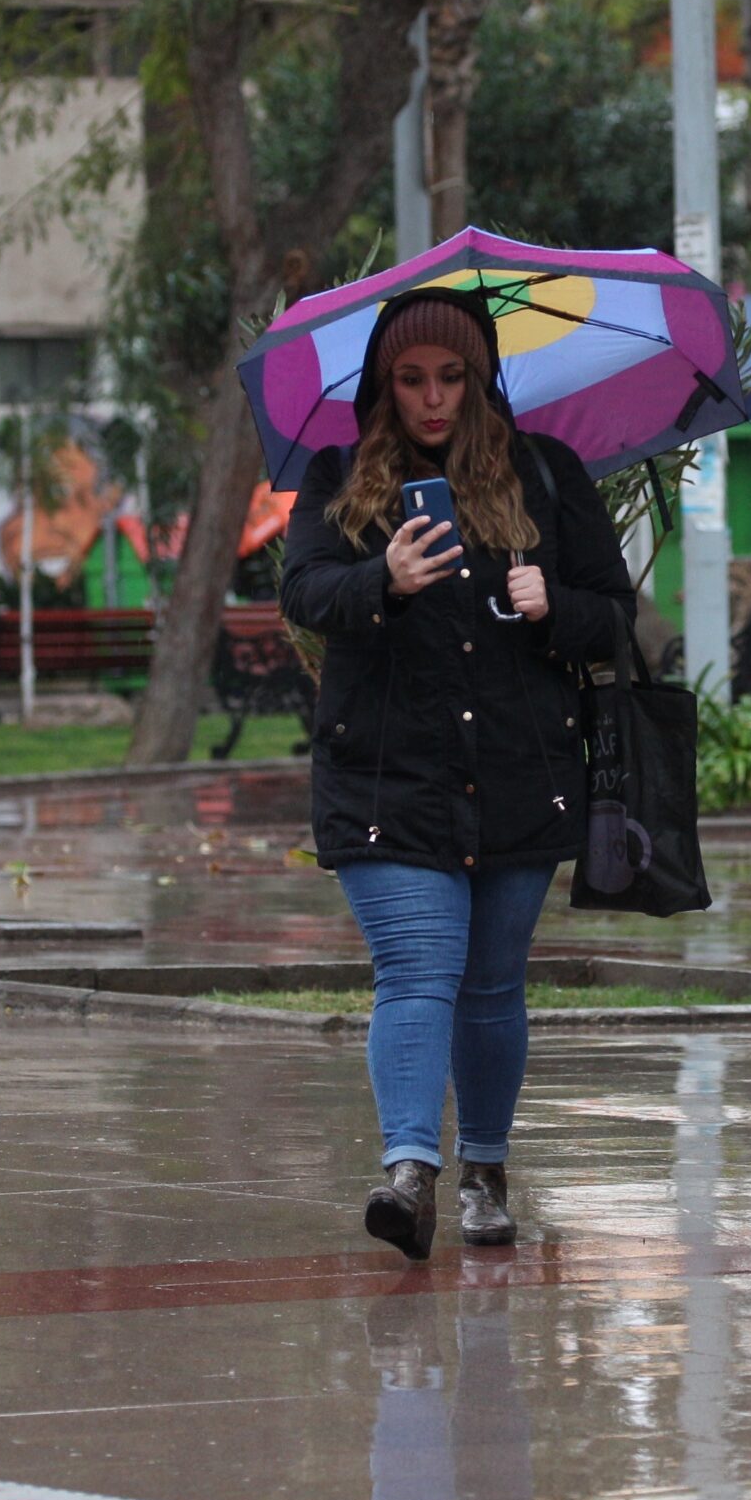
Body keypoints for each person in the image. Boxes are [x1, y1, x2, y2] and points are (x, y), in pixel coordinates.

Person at [281, 289, 635, 1261]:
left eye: (450, 377)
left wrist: (550, 601)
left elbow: (615, 614)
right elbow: (304, 593)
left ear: (478, 381)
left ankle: (483, 1170)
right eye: (410, 380)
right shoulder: (337, 480)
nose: (432, 399)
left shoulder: (545, 477)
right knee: (416, 967)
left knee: (490, 986)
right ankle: (409, 1174)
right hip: (386, 775)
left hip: (520, 771)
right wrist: (380, 581)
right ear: (382, 388)